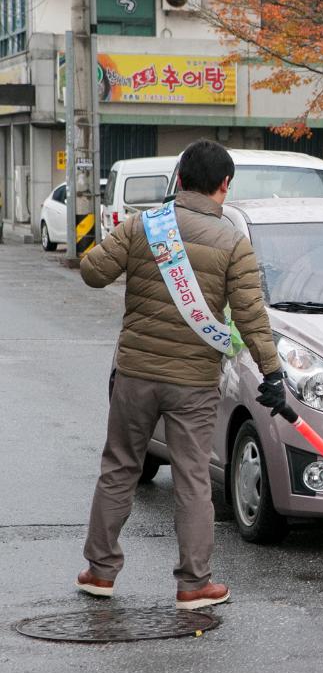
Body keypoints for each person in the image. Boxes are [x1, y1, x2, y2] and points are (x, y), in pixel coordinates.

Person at [76, 140, 287, 610]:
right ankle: (194, 584)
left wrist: (99, 235)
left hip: (134, 373)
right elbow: (251, 316)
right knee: (192, 478)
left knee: (119, 469)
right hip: (193, 383)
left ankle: (100, 571)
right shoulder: (234, 243)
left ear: (179, 178)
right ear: (224, 185)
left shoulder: (140, 226)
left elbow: (92, 272)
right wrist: (272, 374)